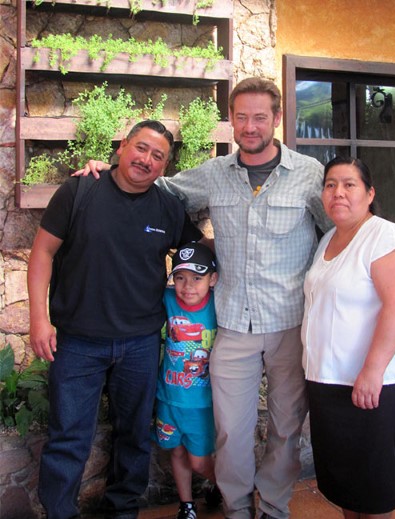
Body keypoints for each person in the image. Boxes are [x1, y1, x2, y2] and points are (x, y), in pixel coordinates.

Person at [76, 77, 331, 519]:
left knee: (287, 428)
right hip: (231, 324)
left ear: (276, 118)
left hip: (291, 322)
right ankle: (236, 509)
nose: (250, 126)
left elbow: (338, 230)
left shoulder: (310, 174)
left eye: (259, 117)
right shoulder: (214, 174)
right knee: (230, 430)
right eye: (241, 117)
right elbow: (160, 187)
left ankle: (273, 507)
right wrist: (107, 169)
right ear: (231, 120)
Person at [27, 120, 206, 519]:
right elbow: (42, 254)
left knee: (134, 437)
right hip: (76, 342)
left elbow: (199, 253)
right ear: (122, 146)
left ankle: (122, 512)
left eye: (158, 156)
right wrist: (39, 319)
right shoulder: (80, 191)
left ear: (164, 167)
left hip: (141, 343)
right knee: (68, 439)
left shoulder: (167, 208)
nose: (146, 159)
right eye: (141, 148)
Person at [301, 156, 395, 519]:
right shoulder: (328, 241)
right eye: (331, 184)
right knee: (346, 485)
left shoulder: (385, 236)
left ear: (369, 193)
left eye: (349, 184)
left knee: (374, 488)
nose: (339, 193)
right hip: (327, 382)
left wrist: (372, 370)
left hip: (368, 385)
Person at [153, 241, 222, 519]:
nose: (187, 286)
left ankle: (228, 487)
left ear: (213, 279)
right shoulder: (167, 300)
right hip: (168, 396)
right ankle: (187, 505)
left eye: (197, 278)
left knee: (199, 460)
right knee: (177, 452)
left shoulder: (220, 304)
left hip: (202, 402)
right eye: (180, 277)